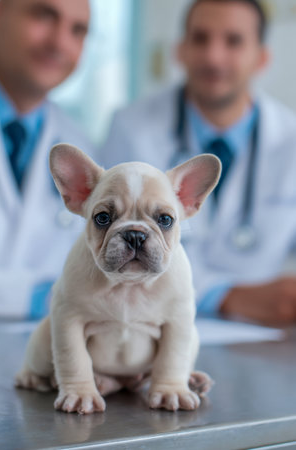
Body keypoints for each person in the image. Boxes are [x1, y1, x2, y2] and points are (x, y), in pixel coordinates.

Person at [101, 0, 296, 326]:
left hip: (262, 338)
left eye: (233, 41)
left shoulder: (290, 139)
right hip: (144, 325)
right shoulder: (132, 129)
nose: (213, 56)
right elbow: (106, 242)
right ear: (181, 50)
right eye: (201, 38)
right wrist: (226, 296)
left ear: (262, 57)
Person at [0, 0, 93, 319]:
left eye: (78, 30)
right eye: (44, 15)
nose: (59, 42)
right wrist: (38, 296)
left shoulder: (78, 144)